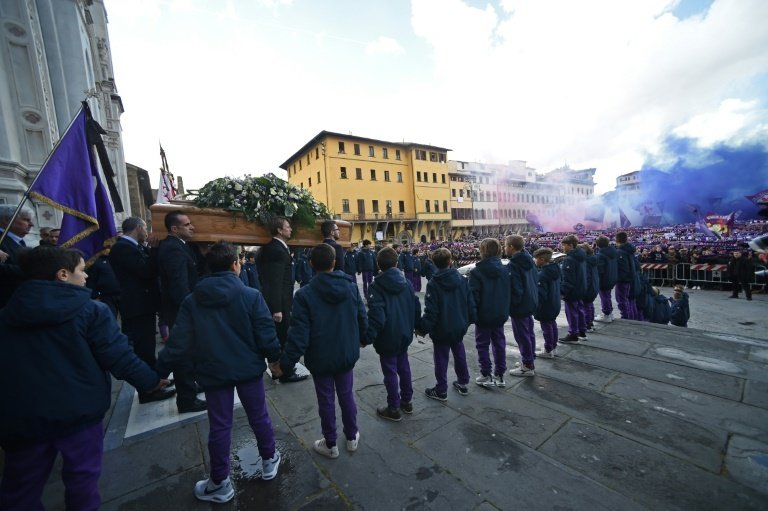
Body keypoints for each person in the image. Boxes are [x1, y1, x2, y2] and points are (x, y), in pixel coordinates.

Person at [0, 246, 169, 510]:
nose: (87, 277)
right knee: (82, 482)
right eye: (82, 270)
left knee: (20, 490)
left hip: (22, 416)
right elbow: (119, 357)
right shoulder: (90, 310)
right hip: (77, 411)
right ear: (63, 274)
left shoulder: (6, 313)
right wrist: (151, 381)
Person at [157, 243, 284, 503]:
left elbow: (178, 341)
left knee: (220, 425)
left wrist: (158, 373)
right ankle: (269, 460)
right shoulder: (251, 295)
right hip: (248, 369)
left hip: (213, 372)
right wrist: (276, 360)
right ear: (235, 265)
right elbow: (266, 333)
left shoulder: (193, 300)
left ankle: (219, 481)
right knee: (259, 416)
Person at [279, 243, 368, 459]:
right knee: (347, 395)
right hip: (345, 352)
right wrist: (365, 338)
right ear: (334, 262)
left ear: (311, 264)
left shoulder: (304, 294)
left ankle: (330, 443)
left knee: (325, 399)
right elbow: (361, 316)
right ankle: (351, 435)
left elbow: (298, 334)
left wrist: (285, 364)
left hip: (320, 356)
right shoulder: (350, 286)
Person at [108, 217, 174, 404]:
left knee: (148, 346)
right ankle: (148, 390)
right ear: (138, 228)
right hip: (136, 306)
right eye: (145, 228)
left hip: (143, 305)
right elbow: (145, 271)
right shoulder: (122, 248)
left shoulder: (133, 247)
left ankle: (155, 382)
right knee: (143, 348)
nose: (147, 232)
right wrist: (153, 249)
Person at [156, 211, 207, 413]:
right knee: (183, 356)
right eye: (187, 224)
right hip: (180, 311)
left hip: (181, 310)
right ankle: (187, 399)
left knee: (190, 352)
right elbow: (179, 287)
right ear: (175, 229)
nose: (192, 227)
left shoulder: (179, 246)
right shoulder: (173, 250)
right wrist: (191, 311)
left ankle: (191, 386)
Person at [364, 247, 421, 421]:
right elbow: (416, 306)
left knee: (390, 372)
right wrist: (417, 326)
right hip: (404, 332)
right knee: (404, 367)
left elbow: (377, 316)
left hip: (387, 336)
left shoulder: (376, 286)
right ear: (396, 263)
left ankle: (394, 407)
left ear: (378, 265)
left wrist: (366, 337)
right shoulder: (407, 282)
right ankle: (407, 400)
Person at [417, 247, 476, 399]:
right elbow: (470, 303)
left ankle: (441, 389)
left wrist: (422, 328)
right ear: (450, 261)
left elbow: (432, 311)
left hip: (442, 327)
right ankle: (463, 382)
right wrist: (469, 320)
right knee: (459, 352)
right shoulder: (462, 280)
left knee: (441, 358)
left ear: (434, 263)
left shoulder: (433, 283)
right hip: (459, 325)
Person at [258, 216, 308, 383]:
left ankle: (281, 369)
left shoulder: (278, 248)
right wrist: (276, 308)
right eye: (288, 226)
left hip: (284, 301)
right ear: (279, 230)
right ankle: (283, 372)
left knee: (282, 336)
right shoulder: (276, 250)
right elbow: (273, 282)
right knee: (282, 337)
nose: (291, 229)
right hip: (279, 303)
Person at [468, 238, 510, 387]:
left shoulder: (476, 272)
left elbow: (473, 297)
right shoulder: (505, 270)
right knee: (499, 343)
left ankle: (486, 373)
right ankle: (500, 374)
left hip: (483, 315)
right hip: (500, 313)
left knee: (482, 344)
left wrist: (472, 316)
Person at [505, 235, 540, 376]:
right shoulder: (529, 259)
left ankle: (527, 365)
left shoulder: (514, 264)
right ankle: (529, 358)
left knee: (522, 335)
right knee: (529, 332)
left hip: (520, 305)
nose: (504, 248)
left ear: (511, 247)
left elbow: (516, 289)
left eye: (505, 245)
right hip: (531, 300)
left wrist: (512, 305)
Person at [0, 205, 33, 308]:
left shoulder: (20, 241)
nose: (31, 224)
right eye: (26, 220)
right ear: (7, 220)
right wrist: (34, 270)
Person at [533, 247, 562, 358]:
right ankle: (553, 347)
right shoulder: (555, 269)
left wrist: (536, 308)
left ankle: (548, 349)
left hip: (546, 306)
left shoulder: (543, 275)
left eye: (536, 259)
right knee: (552, 325)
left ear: (541, 259)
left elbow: (541, 295)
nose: (535, 261)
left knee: (547, 328)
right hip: (554, 303)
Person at [559, 235, 587, 344]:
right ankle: (582, 331)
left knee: (572, 313)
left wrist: (562, 292)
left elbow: (568, 279)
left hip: (573, 291)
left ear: (570, 245)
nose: (563, 248)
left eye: (564, 245)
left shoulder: (570, 259)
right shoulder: (581, 256)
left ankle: (573, 334)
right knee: (580, 310)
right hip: (581, 288)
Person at [615, 231, 638, 320]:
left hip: (623, 280)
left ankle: (625, 317)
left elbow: (623, 268)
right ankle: (629, 317)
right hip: (630, 278)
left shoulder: (621, 252)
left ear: (617, 240)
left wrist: (619, 278)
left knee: (622, 299)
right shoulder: (629, 250)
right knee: (628, 299)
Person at [595, 236, 618, 322]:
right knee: (607, 296)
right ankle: (609, 313)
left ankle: (607, 314)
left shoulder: (601, 255)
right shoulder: (613, 252)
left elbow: (600, 270)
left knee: (604, 297)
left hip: (604, 279)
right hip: (612, 277)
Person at [580, 243, 599, 332]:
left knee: (586, 306)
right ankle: (590, 322)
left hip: (588, 287)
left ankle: (587, 324)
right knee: (589, 305)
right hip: (593, 286)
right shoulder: (592, 259)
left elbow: (586, 277)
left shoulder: (586, 262)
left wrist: (583, 288)